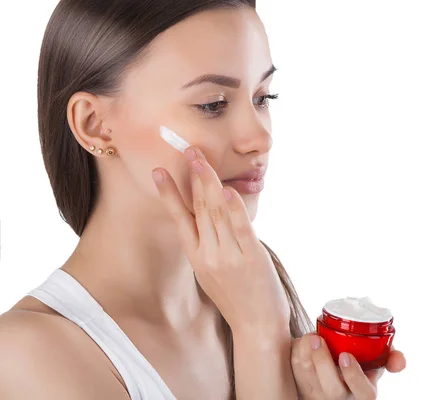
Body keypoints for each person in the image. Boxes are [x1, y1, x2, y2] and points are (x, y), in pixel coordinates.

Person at [0, 0, 406, 398]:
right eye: (212, 104)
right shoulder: (27, 354)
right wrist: (259, 335)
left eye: (263, 98)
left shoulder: (257, 288)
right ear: (95, 125)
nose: (260, 138)